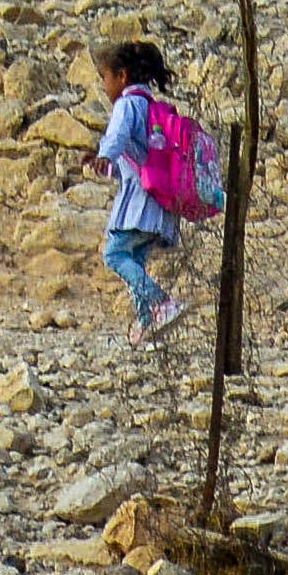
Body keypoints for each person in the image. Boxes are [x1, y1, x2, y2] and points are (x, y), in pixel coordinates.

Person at [83, 41, 187, 346]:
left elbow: (117, 136)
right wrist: (106, 165)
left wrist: (105, 153)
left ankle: (161, 303)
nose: (104, 86)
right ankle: (145, 326)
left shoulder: (127, 105)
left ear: (122, 76)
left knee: (115, 254)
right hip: (159, 200)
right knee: (136, 263)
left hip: (139, 203)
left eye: (105, 78)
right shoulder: (151, 107)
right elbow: (137, 158)